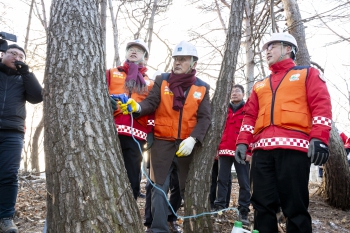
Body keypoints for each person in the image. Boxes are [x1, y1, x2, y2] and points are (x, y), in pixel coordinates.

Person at [235, 33, 332, 233]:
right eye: (265, 48)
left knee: (295, 206)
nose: (267, 50)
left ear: (288, 49)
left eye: (272, 46)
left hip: (294, 150)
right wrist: (242, 142)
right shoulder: (259, 85)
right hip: (262, 152)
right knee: (261, 205)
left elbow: (321, 105)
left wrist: (319, 138)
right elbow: (249, 117)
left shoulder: (308, 73)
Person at [120, 40, 211, 233]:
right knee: (159, 188)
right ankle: (158, 229)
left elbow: (204, 118)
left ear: (193, 63)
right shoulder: (162, 80)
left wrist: (193, 139)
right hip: (162, 142)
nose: (177, 62)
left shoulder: (202, 87)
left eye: (183, 59)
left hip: (186, 145)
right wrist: (138, 107)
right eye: (176, 59)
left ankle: (177, 221)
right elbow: (151, 103)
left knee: (182, 188)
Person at [0, 44, 43, 233]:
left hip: (13, 132)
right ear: (3, 54)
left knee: (9, 174)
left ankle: (6, 217)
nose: (16, 57)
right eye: (12, 53)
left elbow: (37, 97)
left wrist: (27, 73)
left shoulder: (23, 78)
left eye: (20, 56)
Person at [107, 39, 154, 200]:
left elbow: (153, 108)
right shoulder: (111, 73)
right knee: (108, 171)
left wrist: (151, 133)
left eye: (139, 50)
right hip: (110, 130)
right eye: (131, 49)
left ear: (145, 58)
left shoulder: (151, 82)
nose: (134, 52)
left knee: (133, 172)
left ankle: (131, 205)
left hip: (137, 134)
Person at [213, 84, 251, 225]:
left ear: (243, 94)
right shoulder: (224, 109)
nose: (234, 93)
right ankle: (220, 208)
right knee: (222, 180)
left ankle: (243, 211)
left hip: (241, 151)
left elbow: (251, 131)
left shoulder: (248, 110)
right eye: (233, 91)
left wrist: (249, 150)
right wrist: (216, 149)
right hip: (224, 149)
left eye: (237, 91)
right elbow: (217, 130)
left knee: (244, 182)